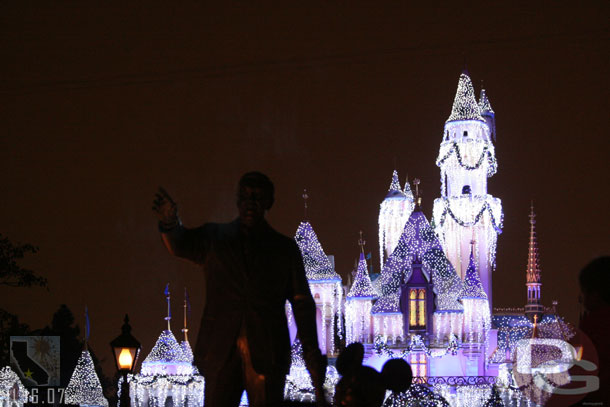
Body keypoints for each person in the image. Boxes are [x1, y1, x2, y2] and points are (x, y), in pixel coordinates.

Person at [152, 172, 327, 406]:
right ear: (236, 201)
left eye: (256, 197)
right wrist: (170, 223)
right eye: (244, 197)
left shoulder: (284, 249)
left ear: (269, 203)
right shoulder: (216, 239)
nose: (249, 203)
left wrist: (312, 354)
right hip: (221, 350)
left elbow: (302, 303)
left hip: (268, 352)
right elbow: (181, 244)